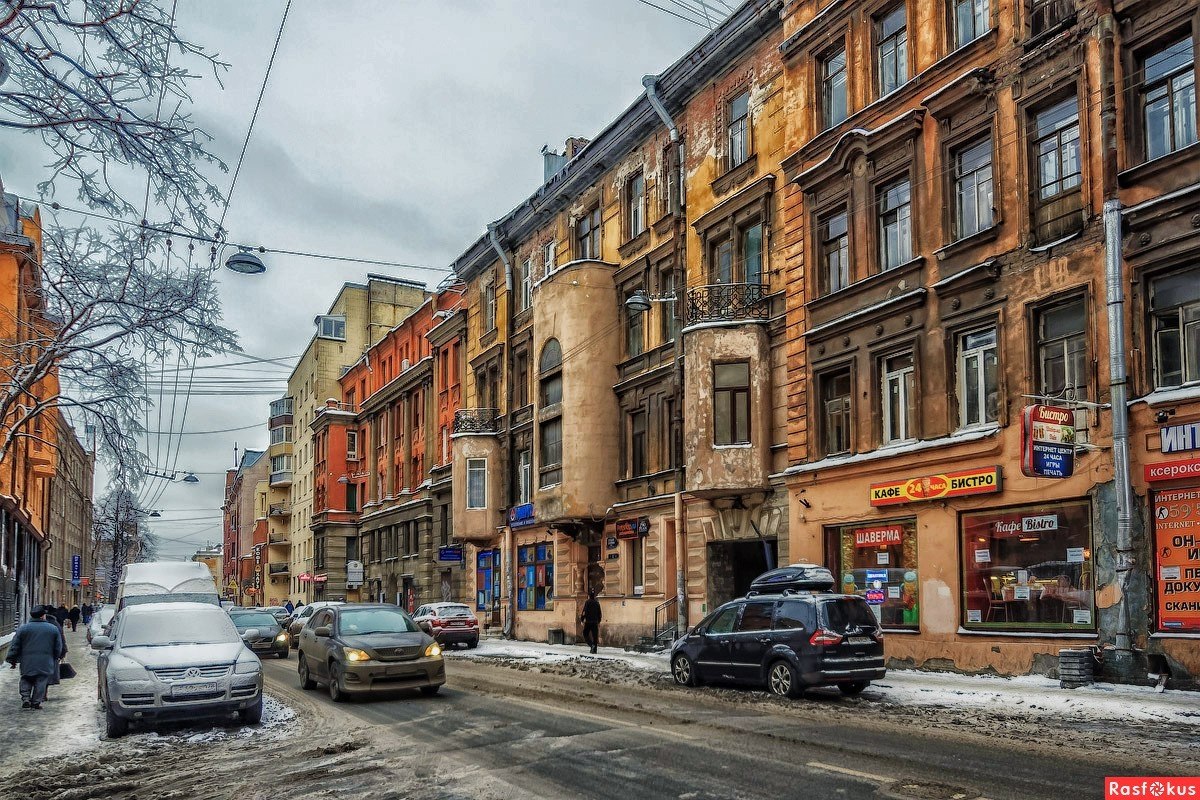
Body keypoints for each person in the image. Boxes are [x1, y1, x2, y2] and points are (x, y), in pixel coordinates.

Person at [6, 606, 65, 709]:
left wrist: (12, 659)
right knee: (41, 681)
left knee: (26, 678)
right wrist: (56, 657)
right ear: (43, 616)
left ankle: (25, 698)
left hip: (27, 661)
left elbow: (15, 645)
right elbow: (58, 647)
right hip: (45, 661)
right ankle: (36, 702)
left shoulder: (23, 629)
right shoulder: (53, 629)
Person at [580, 589, 602, 654]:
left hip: (588, 622)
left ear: (589, 596)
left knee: (585, 634)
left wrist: (582, 619)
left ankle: (591, 645)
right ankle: (594, 650)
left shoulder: (587, 602)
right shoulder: (597, 603)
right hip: (595, 622)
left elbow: (584, 612)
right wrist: (599, 621)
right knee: (595, 636)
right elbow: (599, 613)